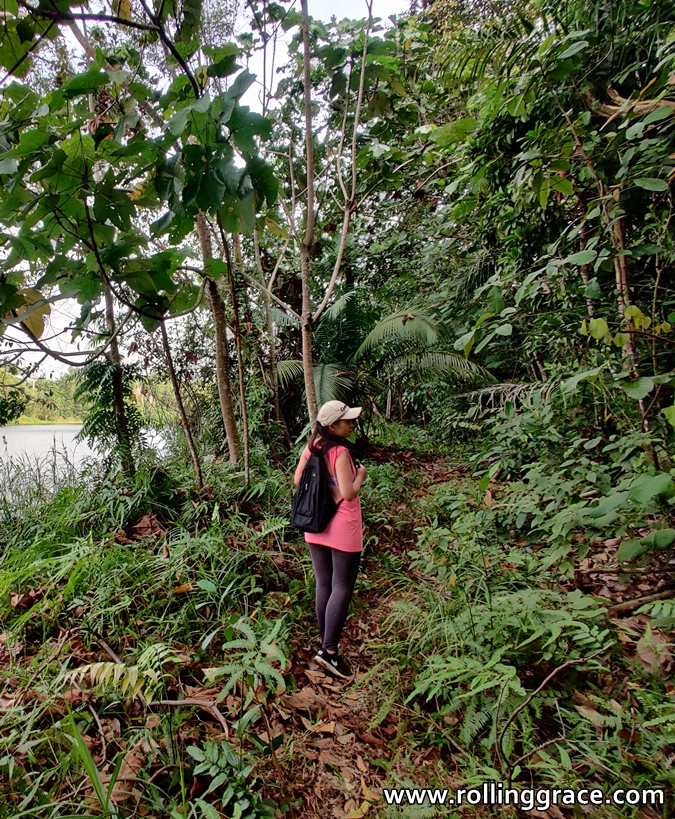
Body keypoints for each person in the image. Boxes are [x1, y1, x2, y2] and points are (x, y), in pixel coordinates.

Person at [294, 401, 367, 679]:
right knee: (342, 585)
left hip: (314, 524)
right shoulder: (340, 451)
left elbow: (297, 480)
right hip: (343, 526)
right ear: (333, 426)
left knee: (324, 582)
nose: (351, 424)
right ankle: (329, 651)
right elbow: (349, 493)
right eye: (347, 421)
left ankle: (325, 643)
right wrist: (360, 475)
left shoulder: (311, 447)